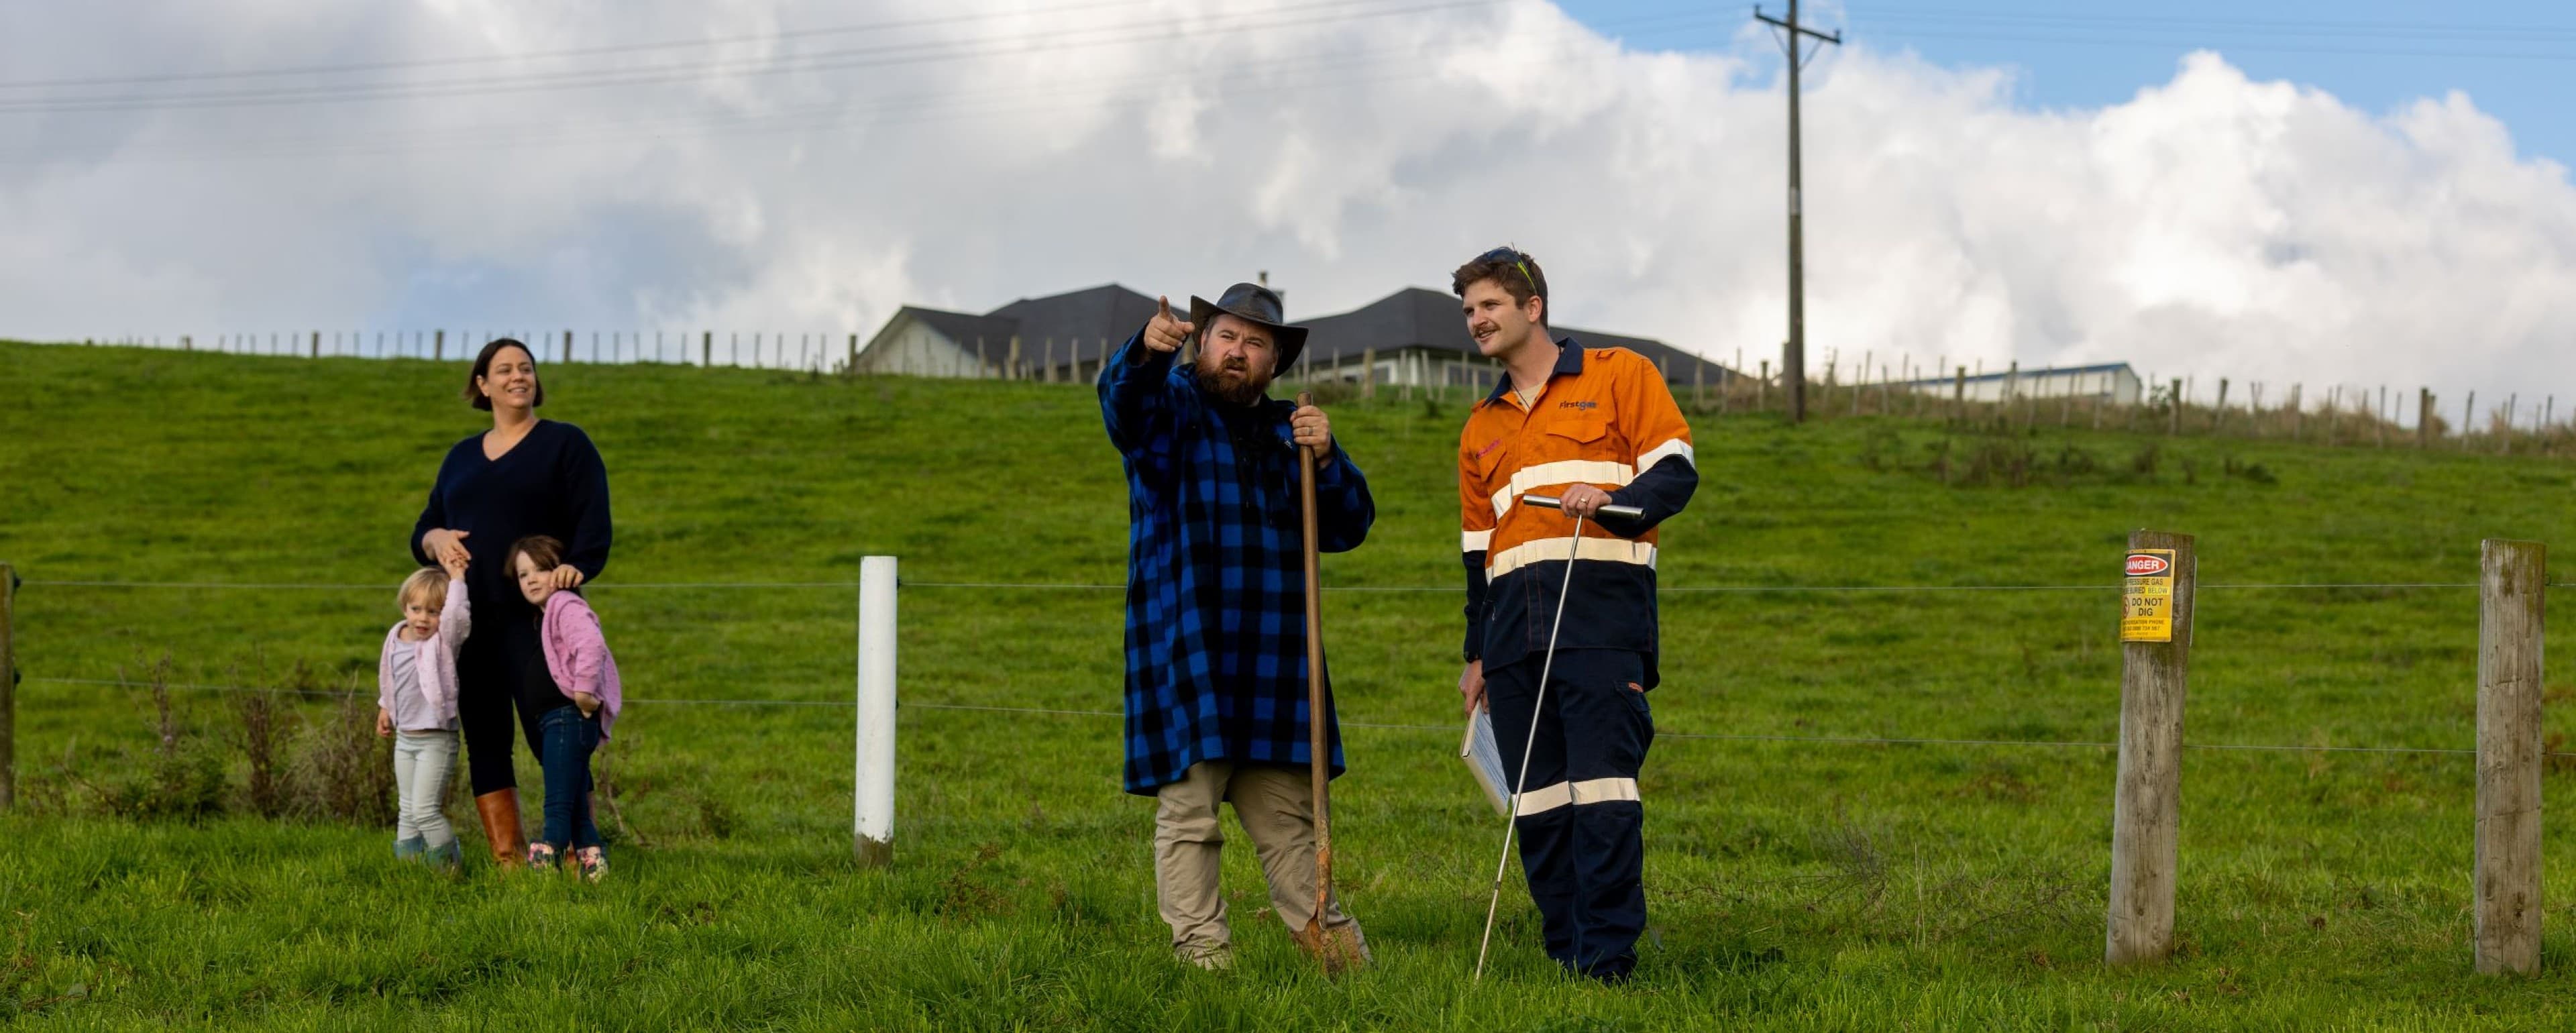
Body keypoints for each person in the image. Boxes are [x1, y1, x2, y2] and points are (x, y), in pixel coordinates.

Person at [1099, 282, 1375, 971]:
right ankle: (1204, 966)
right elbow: (1122, 405)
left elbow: (1350, 524)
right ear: (1202, 341)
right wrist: (1144, 352)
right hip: (1191, 653)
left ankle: (1345, 967)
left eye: (1255, 344)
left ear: (1273, 362)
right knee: (1190, 820)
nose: (1238, 352)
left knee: (1292, 829)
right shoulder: (1172, 412)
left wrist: (1329, 458)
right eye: (1227, 336)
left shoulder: (1294, 433)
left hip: (1278, 667)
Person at [1452, 247, 1697, 981]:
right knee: (1540, 805)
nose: (1477, 320)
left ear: (1533, 307)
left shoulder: (1622, 374)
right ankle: (1565, 950)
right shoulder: (1478, 428)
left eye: (1490, 305)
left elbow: (1676, 471)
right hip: (1511, 640)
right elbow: (1476, 557)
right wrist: (1475, 655)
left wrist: (1616, 504)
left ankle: (1608, 960)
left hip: (1600, 624)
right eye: (1469, 311)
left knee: (1602, 795)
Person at [411, 339, 612, 868]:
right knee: (487, 739)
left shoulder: (566, 444)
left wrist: (578, 568)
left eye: (526, 368)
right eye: (504, 370)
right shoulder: (460, 457)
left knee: (558, 736)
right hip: (471, 622)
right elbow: (424, 528)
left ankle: (574, 850)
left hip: (541, 621)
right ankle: (508, 858)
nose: (518, 376)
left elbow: (594, 524)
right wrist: (434, 541)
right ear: (483, 385)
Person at [508, 535, 623, 881]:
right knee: (575, 809)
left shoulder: (565, 605)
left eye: (540, 569)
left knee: (557, 805)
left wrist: (586, 694)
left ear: (560, 571)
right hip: (558, 721)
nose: (530, 579)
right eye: (522, 574)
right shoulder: (549, 612)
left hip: (567, 719)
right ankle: (594, 871)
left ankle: (542, 877)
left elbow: (591, 645)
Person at [376, 556, 472, 869]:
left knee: (425, 811)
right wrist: (385, 707)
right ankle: (411, 872)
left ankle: (449, 869)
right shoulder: (396, 635)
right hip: (405, 738)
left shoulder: (443, 642)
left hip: (436, 740)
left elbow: (458, 615)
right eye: (416, 609)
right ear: (405, 607)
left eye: (434, 612)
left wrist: (457, 578)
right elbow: (390, 676)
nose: (423, 618)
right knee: (406, 810)